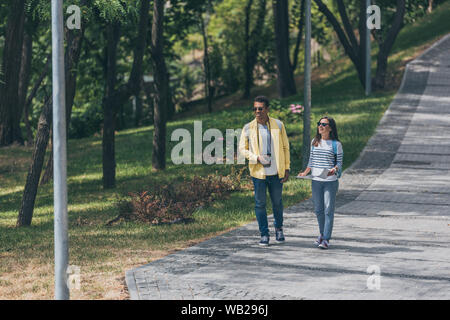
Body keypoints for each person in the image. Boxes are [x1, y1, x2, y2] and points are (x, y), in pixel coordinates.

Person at [239, 96, 290, 246]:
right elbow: (242, 149)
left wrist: (287, 167)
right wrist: (256, 157)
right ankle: (264, 234)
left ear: (267, 109)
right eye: (255, 109)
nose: (257, 112)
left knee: (277, 203)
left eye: (260, 109)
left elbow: (285, 147)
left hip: (276, 172)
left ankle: (279, 229)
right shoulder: (248, 127)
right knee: (260, 204)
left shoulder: (278, 125)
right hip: (258, 173)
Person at [297, 116, 343, 249]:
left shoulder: (336, 144)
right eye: (319, 124)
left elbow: (339, 163)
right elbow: (311, 161)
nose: (320, 126)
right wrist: (305, 172)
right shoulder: (314, 142)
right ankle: (322, 235)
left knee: (328, 210)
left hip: (330, 181)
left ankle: (326, 239)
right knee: (318, 210)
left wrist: (334, 170)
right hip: (316, 180)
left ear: (330, 128)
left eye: (324, 124)